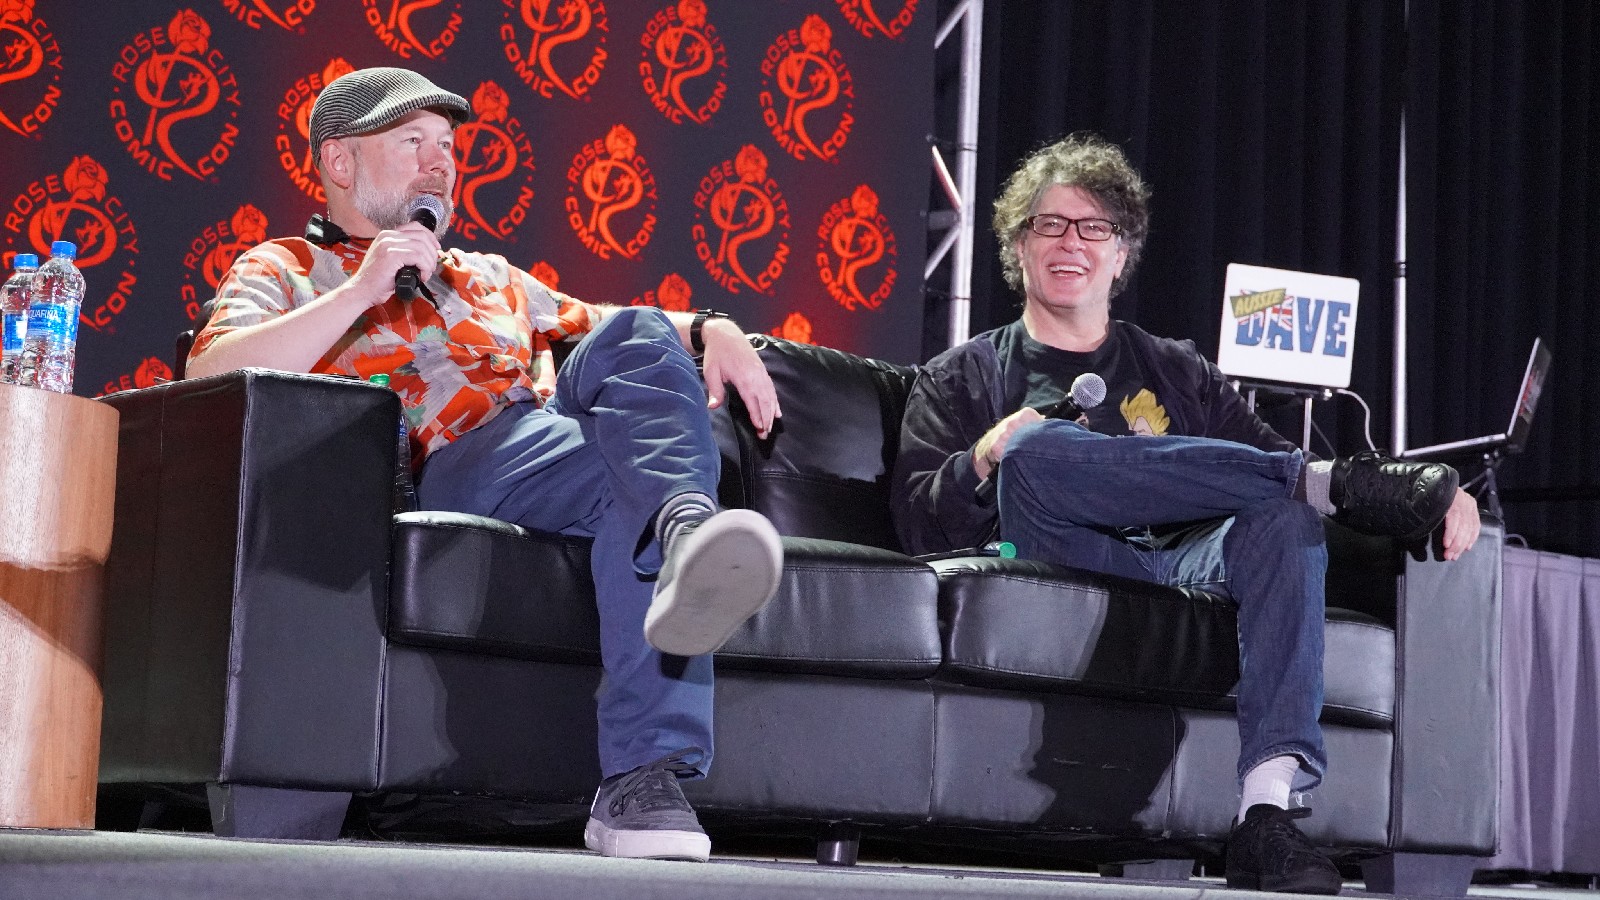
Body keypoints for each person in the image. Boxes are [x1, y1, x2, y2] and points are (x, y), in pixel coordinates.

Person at [186, 67, 786, 863]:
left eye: (447, 146)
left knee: (640, 341)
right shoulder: (289, 267)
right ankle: (675, 552)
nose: (441, 162)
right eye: (412, 143)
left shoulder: (491, 276)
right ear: (339, 163)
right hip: (452, 461)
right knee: (628, 464)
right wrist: (362, 289)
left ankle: (671, 582)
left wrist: (716, 328)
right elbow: (210, 370)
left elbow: (619, 329)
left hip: (549, 443)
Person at [891, 134, 1482, 895]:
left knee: (1287, 520)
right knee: (1036, 451)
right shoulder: (963, 375)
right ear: (1017, 245)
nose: (1071, 242)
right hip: (1060, 553)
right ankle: (1330, 479)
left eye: (1093, 226)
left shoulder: (1177, 368)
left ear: (1122, 251)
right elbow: (914, 524)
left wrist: (1444, 496)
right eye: (1049, 224)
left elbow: (1263, 471)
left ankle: (1265, 814)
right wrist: (984, 455)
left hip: (1184, 561)